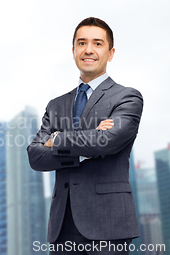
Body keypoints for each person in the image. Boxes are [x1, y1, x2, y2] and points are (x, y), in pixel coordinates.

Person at [26, 17, 143, 255]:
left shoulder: (127, 97)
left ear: (110, 53)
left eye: (97, 44)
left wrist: (57, 139)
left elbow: (106, 142)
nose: (88, 50)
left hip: (109, 223)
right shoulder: (56, 105)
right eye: (82, 43)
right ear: (73, 51)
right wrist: (81, 152)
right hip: (62, 225)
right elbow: (35, 156)